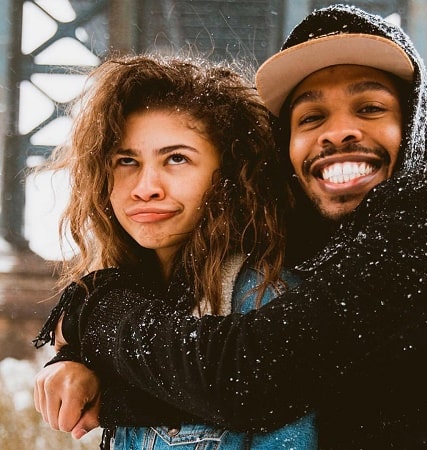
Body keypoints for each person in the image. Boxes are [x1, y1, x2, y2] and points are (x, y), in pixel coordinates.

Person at [35, 4, 427, 449]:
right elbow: (297, 382)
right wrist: (100, 380)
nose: (338, 133)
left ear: (416, 122)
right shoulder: (313, 250)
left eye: (369, 108)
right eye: (311, 118)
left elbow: (249, 374)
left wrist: (94, 308)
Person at [32, 53, 319, 449]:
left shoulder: (262, 297)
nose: (145, 186)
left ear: (230, 175)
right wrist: (75, 361)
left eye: (177, 158)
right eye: (126, 161)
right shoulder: (131, 300)